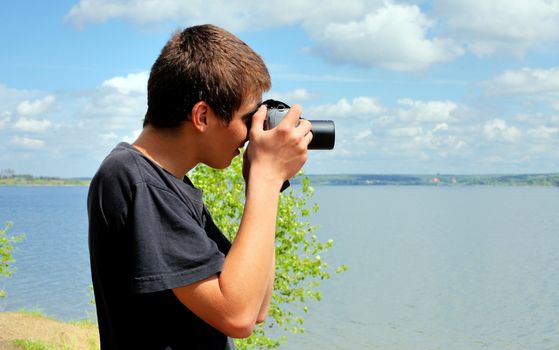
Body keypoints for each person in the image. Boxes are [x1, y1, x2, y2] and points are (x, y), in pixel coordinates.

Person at [87, 24, 312, 349]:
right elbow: (239, 316)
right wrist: (266, 178)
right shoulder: (136, 179)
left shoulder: (170, 185)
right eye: (248, 118)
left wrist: (265, 186)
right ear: (202, 116)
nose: (251, 133)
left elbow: (256, 304)